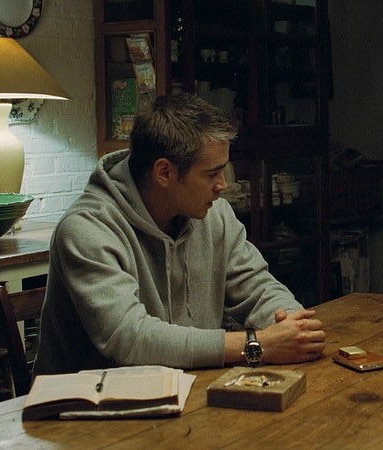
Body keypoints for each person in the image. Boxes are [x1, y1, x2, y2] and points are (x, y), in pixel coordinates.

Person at [35, 93, 326, 375]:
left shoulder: (215, 214)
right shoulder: (87, 228)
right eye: (211, 174)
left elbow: (257, 287)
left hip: (188, 389)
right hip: (88, 403)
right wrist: (255, 345)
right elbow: (128, 337)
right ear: (164, 172)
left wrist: (295, 326)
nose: (223, 185)